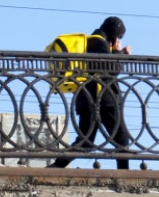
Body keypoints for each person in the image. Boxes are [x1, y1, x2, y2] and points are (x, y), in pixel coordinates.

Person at [49, 16, 132, 169]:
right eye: (119, 36)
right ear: (113, 33)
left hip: (88, 99)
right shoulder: (98, 42)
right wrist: (121, 53)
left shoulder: (94, 42)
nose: (119, 40)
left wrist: (114, 52)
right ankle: (124, 176)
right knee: (122, 140)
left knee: (86, 143)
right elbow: (110, 69)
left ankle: (57, 165)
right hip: (103, 100)